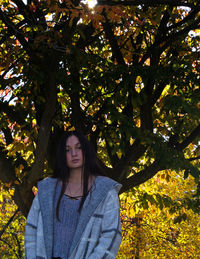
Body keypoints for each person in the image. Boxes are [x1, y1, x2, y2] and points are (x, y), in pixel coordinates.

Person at [25, 130, 122, 259]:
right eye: (67, 150)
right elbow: (31, 229)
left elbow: (111, 236)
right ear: (62, 155)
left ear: (86, 151)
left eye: (78, 148)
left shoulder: (105, 191)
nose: (74, 153)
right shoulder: (47, 189)